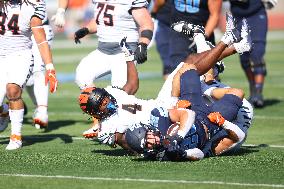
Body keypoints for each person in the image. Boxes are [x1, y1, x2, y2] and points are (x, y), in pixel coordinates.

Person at [78, 12, 248, 149]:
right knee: (195, 73)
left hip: (162, 103)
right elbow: (131, 144)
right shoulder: (106, 129)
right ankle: (227, 46)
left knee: (188, 63)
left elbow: (132, 85)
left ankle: (235, 46)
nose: (107, 100)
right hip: (160, 126)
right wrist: (148, 144)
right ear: (96, 113)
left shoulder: (113, 93)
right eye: (102, 102)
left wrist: (128, 57)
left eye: (104, 96)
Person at [125, 64, 246, 161]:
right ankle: (208, 85)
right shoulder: (165, 155)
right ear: (144, 150)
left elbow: (189, 114)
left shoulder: (157, 119)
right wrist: (183, 153)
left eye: (148, 136)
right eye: (148, 143)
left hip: (192, 107)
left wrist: (178, 135)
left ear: (148, 129)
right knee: (238, 93)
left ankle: (208, 89)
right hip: (211, 123)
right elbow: (201, 154)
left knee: (188, 67)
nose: (153, 140)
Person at [0, 0, 58, 150]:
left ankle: (16, 137)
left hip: (21, 55)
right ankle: (5, 110)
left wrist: (49, 66)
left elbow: (40, 39)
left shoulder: (31, 7)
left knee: (13, 91)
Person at [74, 0, 154, 91]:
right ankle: (99, 103)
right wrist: (86, 30)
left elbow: (146, 23)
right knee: (82, 76)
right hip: (102, 51)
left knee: (120, 93)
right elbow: (102, 20)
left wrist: (142, 44)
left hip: (124, 53)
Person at [24, 0, 68, 129]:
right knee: (25, 77)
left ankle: (42, 111)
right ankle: (9, 107)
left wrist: (60, 11)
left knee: (38, 70)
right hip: (18, 31)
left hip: (41, 27)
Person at [228, 0, 278, 108]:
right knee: (244, 58)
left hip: (256, 14)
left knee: (257, 54)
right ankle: (253, 87)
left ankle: (258, 93)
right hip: (238, 16)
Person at [166, 0, 222, 77]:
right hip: (179, 33)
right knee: (179, 71)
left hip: (203, 33)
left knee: (208, 75)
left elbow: (214, 15)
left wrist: (201, 38)